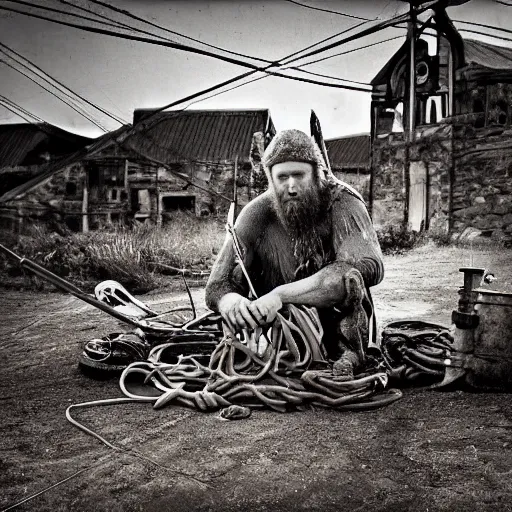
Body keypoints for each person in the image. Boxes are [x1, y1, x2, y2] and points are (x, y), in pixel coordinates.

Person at [205, 129, 384, 379]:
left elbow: (368, 267)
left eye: (299, 175)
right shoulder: (255, 215)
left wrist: (281, 295)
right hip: (277, 329)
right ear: (271, 179)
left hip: (337, 322)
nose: (291, 187)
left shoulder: (343, 203)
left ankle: (350, 354)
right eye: (282, 177)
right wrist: (232, 302)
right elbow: (216, 286)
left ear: (316, 174)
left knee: (346, 276)